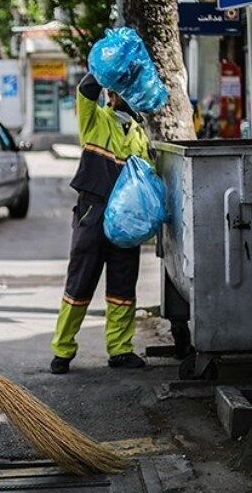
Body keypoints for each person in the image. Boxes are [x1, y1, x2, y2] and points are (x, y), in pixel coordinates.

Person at [49, 72, 154, 374]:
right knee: (79, 284)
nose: (126, 96)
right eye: (121, 90)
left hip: (126, 224)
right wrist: (107, 67)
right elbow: (85, 89)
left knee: (123, 288)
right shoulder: (94, 119)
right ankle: (63, 350)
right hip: (92, 215)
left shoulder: (139, 134)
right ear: (111, 95)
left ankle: (120, 350)